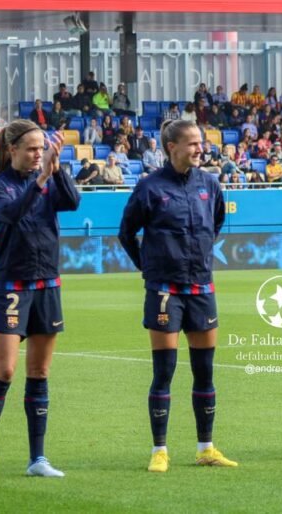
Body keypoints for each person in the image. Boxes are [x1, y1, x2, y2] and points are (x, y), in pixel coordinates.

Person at [118, 119, 236, 473]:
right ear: (172, 147)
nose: (200, 148)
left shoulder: (210, 184)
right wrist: (149, 267)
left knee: (205, 371)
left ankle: (206, 448)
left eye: (201, 142)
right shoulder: (150, 187)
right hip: (164, 290)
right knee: (164, 372)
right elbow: (126, 233)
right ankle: (159, 450)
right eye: (193, 143)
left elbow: (215, 224)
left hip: (201, 286)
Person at [0, 120, 81, 481]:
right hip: (12, 286)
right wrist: (42, 179)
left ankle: (37, 459)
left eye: (41, 149)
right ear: (12, 149)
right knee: (5, 370)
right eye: (31, 149)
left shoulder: (47, 177)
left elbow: (73, 202)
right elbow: (12, 214)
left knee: (39, 372)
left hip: (47, 283)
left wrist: (56, 169)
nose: (37, 155)